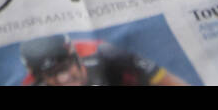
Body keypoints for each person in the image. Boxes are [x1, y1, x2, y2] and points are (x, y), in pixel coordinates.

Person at [18, 34, 188, 86]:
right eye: (52, 75)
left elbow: (168, 82)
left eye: (64, 68)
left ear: (76, 58)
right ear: (41, 78)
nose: (63, 79)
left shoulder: (108, 55)